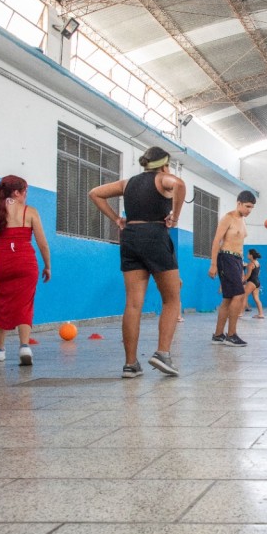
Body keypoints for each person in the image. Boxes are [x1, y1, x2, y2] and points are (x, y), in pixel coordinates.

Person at [89, 146, 186, 378]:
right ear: (164, 164)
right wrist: (176, 215)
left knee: (133, 304)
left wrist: (117, 220)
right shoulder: (164, 178)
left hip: (130, 237)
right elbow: (180, 186)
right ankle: (162, 353)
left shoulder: (127, 183)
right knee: (172, 299)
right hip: (155, 235)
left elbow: (94, 193)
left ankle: (130, 364)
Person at [0, 175, 51, 365]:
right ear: (16, 192)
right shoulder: (29, 212)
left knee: (2, 303)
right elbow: (43, 244)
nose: (26, 196)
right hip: (25, 262)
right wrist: (47, 265)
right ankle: (24, 346)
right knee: (25, 303)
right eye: (25, 192)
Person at [209, 191, 256, 346]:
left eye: (252, 208)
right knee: (239, 295)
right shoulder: (228, 218)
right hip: (226, 258)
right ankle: (231, 335)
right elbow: (216, 241)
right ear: (239, 203)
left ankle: (218, 335)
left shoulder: (242, 221)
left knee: (228, 298)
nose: (249, 210)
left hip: (236, 260)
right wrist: (213, 264)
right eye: (247, 206)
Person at [243, 248, 265, 318]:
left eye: (248, 254)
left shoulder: (250, 264)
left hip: (252, 282)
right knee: (256, 298)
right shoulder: (257, 263)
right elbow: (257, 273)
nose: (247, 255)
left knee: (244, 296)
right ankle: (261, 314)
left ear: (251, 255)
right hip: (257, 282)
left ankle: (240, 313)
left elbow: (248, 275)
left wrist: (242, 281)